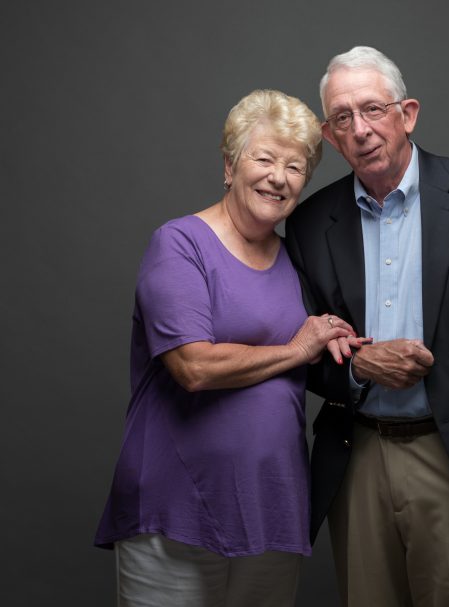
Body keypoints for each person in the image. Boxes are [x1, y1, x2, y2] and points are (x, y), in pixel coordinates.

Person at [284, 47, 449, 607]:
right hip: (355, 460)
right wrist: (358, 366)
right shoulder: (310, 223)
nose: (360, 129)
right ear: (330, 137)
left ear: (407, 114)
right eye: (342, 118)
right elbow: (304, 352)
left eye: (373, 109)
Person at [94, 89, 359, 607]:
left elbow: (325, 347)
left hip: (272, 506)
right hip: (178, 504)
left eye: (295, 167)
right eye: (263, 159)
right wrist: (298, 349)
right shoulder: (179, 244)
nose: (278, 177)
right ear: (230, 165)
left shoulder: (296, 258)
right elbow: (193, 365)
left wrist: (346, 345)